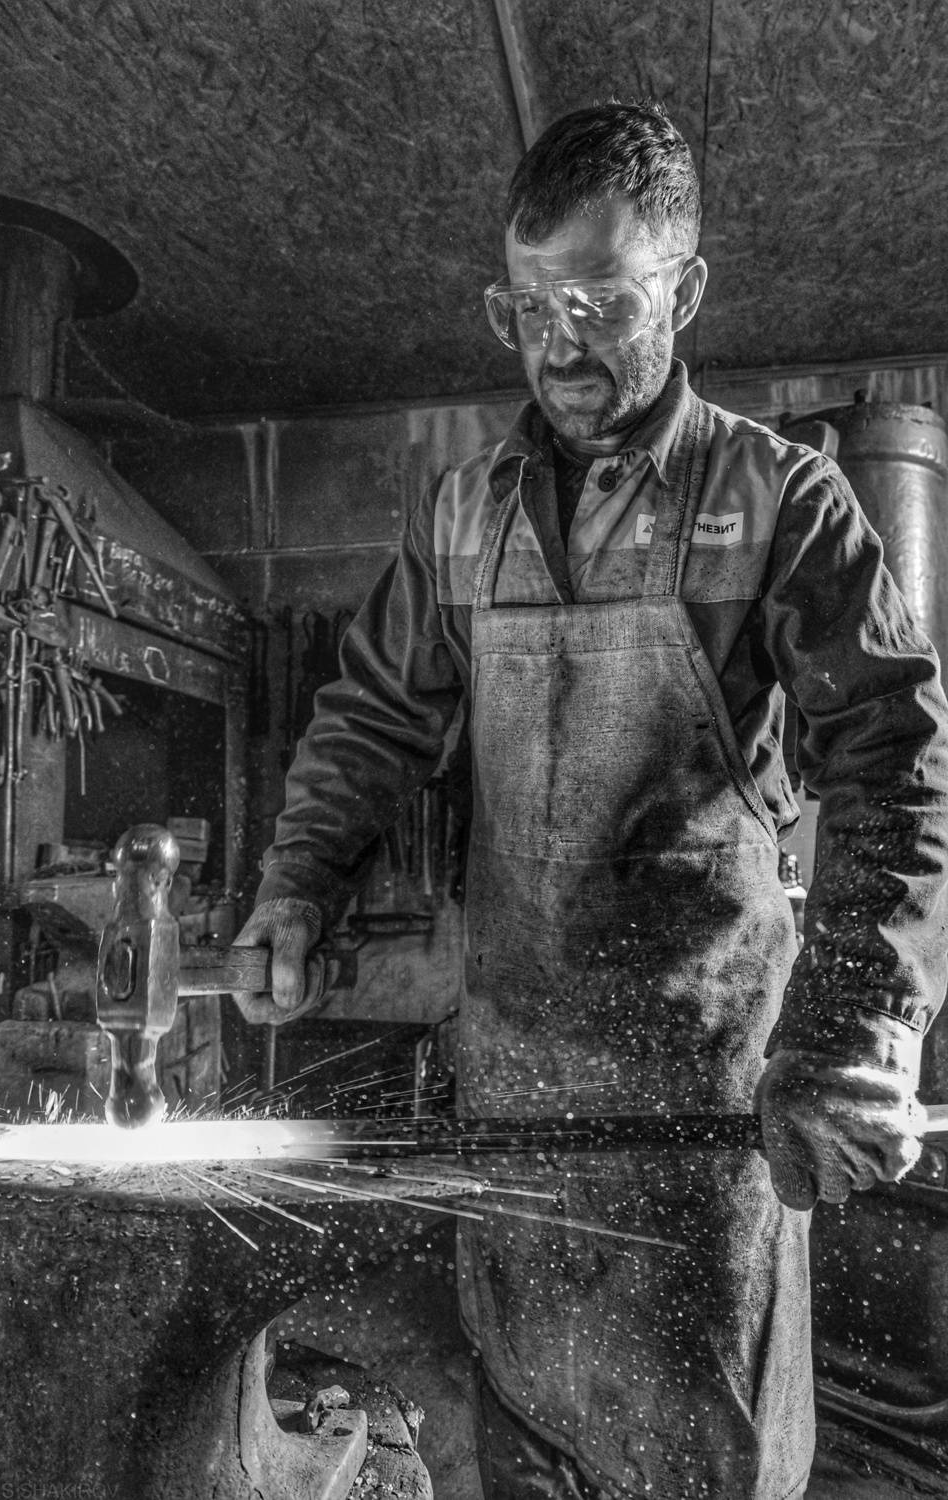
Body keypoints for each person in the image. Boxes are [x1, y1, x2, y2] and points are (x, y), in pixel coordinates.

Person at [235, 100, 948, 1499]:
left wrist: (862, 1022)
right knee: (521, 1443)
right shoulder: (460, 513)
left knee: (700, 1463)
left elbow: (899, 764)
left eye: (602, 304)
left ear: (686, 291)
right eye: (529, 307)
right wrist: (296, 887)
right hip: (514, 1117)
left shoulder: (784, 501)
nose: (560, 346)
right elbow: (373, 717)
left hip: (704, 1127)